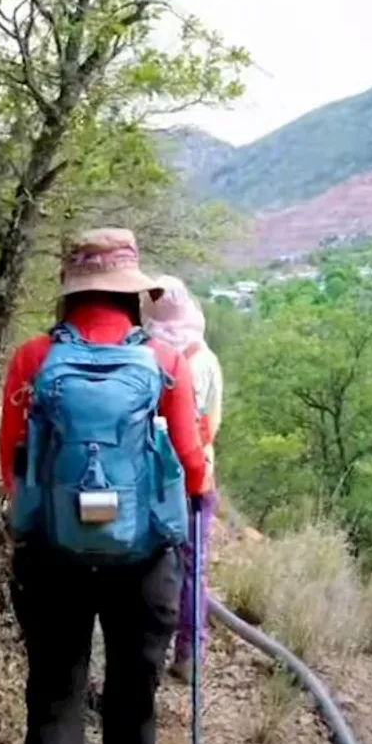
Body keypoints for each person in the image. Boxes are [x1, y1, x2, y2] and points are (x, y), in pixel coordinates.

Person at [1, 228, 212, 744]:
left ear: (71, 290)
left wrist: (54, 515)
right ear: (131, 295)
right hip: (143, 557)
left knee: (56, 691)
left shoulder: (33, 359)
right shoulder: (165, 363)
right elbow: (192, 464)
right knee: (131, 687)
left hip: (53, 555)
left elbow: (12, 460)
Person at [145, 274, 223, 684]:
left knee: (149, 563)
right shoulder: (204, 361)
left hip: (149, 478)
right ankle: (188, 653)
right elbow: (215, 421)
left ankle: (147, 653)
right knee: (193, 569)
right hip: (195, 478)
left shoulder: (142, 355)